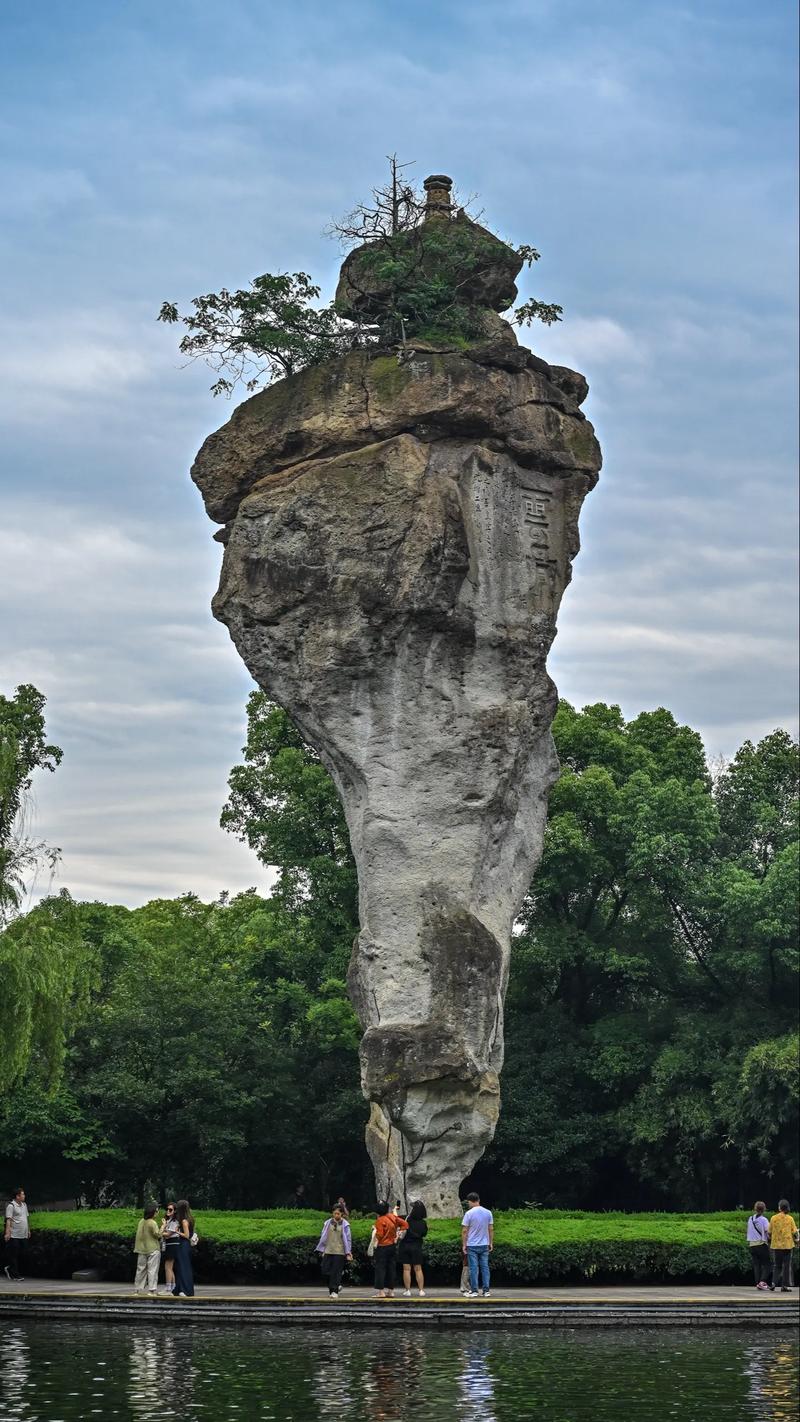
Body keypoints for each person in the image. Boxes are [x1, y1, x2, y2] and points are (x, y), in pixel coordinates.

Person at [315, 1205, 353, 1298]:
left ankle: (334, 1291)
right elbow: (323, 1237)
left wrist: (348, 1252)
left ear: (342, 1214)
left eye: (338, 1213)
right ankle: (336, 1285)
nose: (336, 1215)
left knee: (336, 1272)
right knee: (325, 1270)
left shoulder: (345, 1224)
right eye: (335, 1213)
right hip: (328, 1250)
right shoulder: (327, 1223)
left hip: (339, 1251)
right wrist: (323, 1249)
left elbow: (348, 1239)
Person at [461, 1191, 493, 1299]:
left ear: (470, 1201)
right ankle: (486, 1291)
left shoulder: (469, 1213)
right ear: (478, 1200)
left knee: (473, 1268)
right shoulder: (488, 1212)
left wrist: (464, 1244)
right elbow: (490, 1229)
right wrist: (490, 1242)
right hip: (484, 1244)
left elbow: (465, 1231)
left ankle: (474, 1290)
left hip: (472, 1245)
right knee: (485, 1267)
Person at [373, 1201, 408, 1298]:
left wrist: (374, 1232)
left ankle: (381, 1292)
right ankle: (391, 1291)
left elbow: (379, 1235)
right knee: (391, 1268)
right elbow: (405, 1224)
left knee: (380, 1269)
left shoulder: (380, 1220)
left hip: (382, 1247)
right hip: (392, 1246)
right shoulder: (393, 1217)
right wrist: (397, 1235)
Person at [399, 1200, 428, 1297]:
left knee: (406, 1269)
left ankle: (408, 1290)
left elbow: (395, 1219)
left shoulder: (406, 1219)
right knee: (418, 1269)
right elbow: (424, 1234)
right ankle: (421, 1290)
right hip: (417, 1247)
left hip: (405, 1246)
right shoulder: (423, 1223)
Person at [769, 1198, 798, 1292]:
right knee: (786, 1265)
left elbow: (769, 1231)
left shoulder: (773, 1218)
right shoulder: (790, 1218)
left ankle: (773, 1283)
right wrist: (797, 1241)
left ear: (779, 1207)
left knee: (777, 1265)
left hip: (776, 1246)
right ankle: (784, 1286)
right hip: (788, 1246)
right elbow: (795, 1232)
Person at [133, 1204, 162, 1297]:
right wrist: (163, 1226)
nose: (158, 1213)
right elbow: (158, 1235)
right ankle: (152, 1291)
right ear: (153, 1212)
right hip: (153, 1249)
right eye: (157, 1211)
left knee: (140, 1270)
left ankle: (137, 1290)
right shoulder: (152, 1222)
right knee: (152, 1270)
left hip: (141, 1249)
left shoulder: (141, 1221)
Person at [3, 1187, 30, 1282]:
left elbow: (26, 1218)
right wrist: (7, 1233)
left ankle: (9, 1268)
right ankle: (15, 1274)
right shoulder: (11, 1206)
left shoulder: (24, 1205)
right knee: (13, 1255)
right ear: (17, 1196)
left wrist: (28, 1230)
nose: (24, 1196)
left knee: (24, 1253)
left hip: (23, 1234)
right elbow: (8, 1220)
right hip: (14, 1235)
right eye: (22, 1194)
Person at [172, 1199, 196, 1298]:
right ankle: (181, 1288)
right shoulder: (191, 1218)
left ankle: (184, 1289)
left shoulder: (184, 1220)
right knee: (184, 1266)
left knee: (183, 1266)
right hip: (186, 1245)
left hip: (183, 1244)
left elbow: (186, 1235)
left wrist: (177, 1232)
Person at [746, 1201, 773, 1290]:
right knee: (767, 1265)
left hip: (752, 1245)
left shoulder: (750, 1218)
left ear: (755, 1209)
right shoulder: (764, 1219)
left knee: (756, 1265)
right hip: (761, 1244)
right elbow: (768, 1231)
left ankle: (758, 1283)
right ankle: (762, 1282)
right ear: (764, 1209)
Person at [160, 1200, 180, 1294]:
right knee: (169, 1267)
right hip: (169, 1244)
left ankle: (168, 1288)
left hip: (172, 1244)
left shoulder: (175, 1222)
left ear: (175, 1211)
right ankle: (171, 1287)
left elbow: (168, 1234)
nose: (168, 1211)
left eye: (170, 1210)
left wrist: (160, 1232)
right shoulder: (169, 1221)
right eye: (167, 1209)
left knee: (168, 1267)